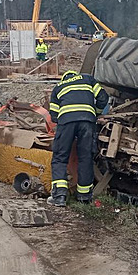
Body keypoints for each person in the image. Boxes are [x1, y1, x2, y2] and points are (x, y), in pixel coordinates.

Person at [47, 70, 109, 207]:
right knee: (86, 157)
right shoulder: (88, 79)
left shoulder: (58, 87)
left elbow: (54, 116)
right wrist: (95, 113)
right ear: (75, 75)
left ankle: (59, 196)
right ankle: (84, 196)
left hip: (66, 122)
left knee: (60, 157)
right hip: (87, 121)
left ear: (64, 78)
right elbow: (103, 98)